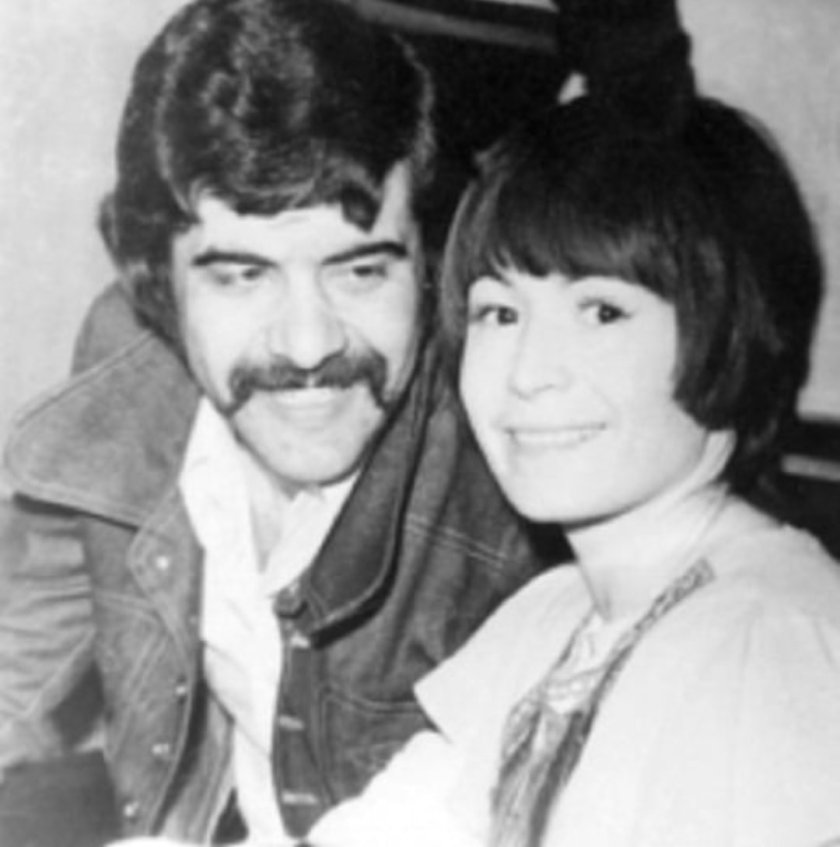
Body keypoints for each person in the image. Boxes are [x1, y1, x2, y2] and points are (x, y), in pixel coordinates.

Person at [0, 0, 553, 842]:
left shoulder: (513, 464)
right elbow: (17, 650)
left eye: (361, 270)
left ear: (429, 260)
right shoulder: (130, 365)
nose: (307, 344)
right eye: (242, 276)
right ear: (159, 288)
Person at [306, 6, 840, 846]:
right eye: (499, 312)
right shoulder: (552, 615)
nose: (529, 372)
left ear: (735, 324)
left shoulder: (767, 645)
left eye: (601, 311)